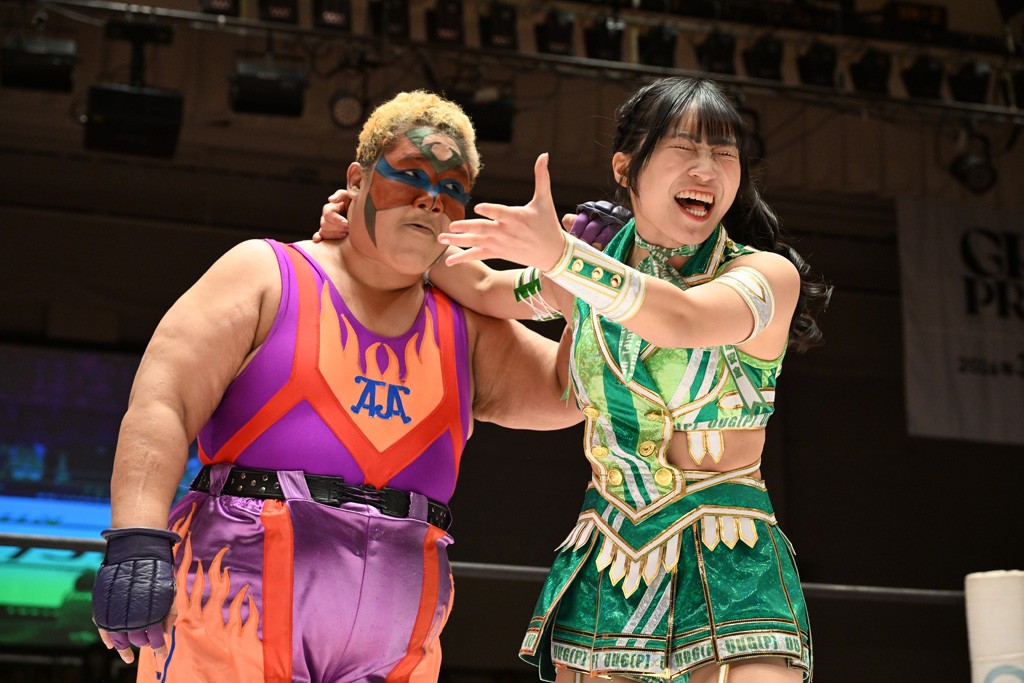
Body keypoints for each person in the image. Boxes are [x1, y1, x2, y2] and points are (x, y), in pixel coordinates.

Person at [321, 76, 830, 682]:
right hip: (610, 558)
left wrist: (564, 256)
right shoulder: (587, 273)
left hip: (731, 558)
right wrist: (372, 224)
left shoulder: (764, 277)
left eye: (725, 154)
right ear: (625, 167)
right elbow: (483, 285)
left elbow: (682, 319)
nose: (706, 169)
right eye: (683, 148)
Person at [89, 90, 583, 683]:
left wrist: (586, 277)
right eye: (411, 174)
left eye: (452, 187)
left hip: (397, 625)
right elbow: (163, 402)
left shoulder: (468, 325)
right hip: (233, 597)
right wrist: (137, 539)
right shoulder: (266, 272)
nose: (431, 197)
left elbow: (571, 394)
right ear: (357, 179)